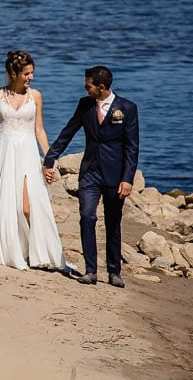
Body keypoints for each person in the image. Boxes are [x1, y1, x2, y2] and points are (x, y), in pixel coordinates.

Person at [42, 66, 139, 288]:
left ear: (101, 87)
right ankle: (90, 270)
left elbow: (132, 147)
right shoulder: (85, 105)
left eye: (89, 86)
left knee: (113, 222)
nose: (86, 89)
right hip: (90, 172)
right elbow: (69, 131)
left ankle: (114, 272)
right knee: (87, 217)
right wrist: (50, 158)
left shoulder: (127, 108)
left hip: (116, 175)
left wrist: (128, 178)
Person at [0, 50, 66, 271]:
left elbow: (40, 130)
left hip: (27, 154)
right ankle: (9, 249)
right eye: (26, 73)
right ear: (13, 73)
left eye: (32, 73)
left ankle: (35, 250)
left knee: (27, 207)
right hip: (4, 153)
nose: (30, 77)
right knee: (6, 202)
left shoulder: (35, 96)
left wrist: (49, 158)